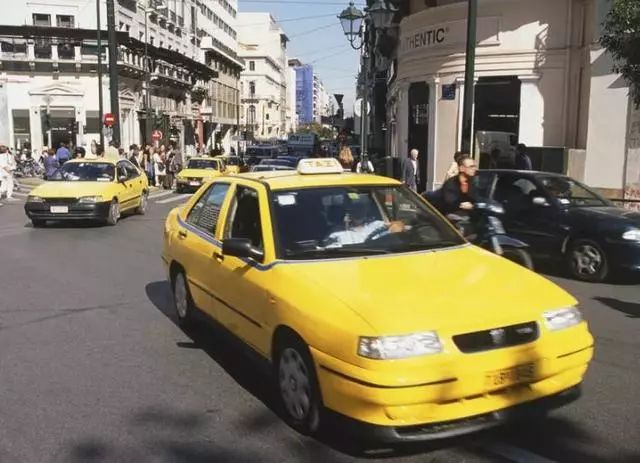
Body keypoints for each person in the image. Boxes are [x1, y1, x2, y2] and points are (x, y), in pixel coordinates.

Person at [325, 200, 405, 247]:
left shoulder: (375, 225)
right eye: (355, 210)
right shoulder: (338, 232)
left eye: (361, 210)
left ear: (366, 212)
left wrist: (396, 228)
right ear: (349, 212)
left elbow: (398, 225)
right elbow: (329, 250)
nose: (358, 213)